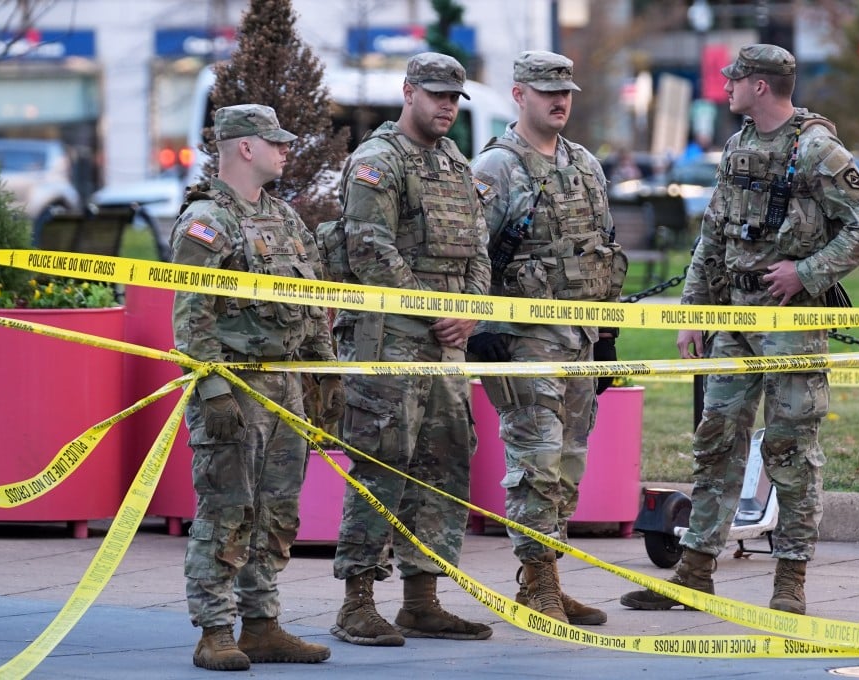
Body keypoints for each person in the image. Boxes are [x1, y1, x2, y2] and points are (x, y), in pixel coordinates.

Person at [620, 44, 859, 615]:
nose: (725, 85)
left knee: (790, 448)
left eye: (733, 78)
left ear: (759, 85)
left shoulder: (817, 149)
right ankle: (694, 573)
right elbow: (714, 234)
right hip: (734, 318)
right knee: (715, 441)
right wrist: (695, 311)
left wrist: (805, 272)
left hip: (789, 321)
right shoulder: (739, 146)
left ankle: (788, 582)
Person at [315, 52, 493, 647]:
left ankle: (422, 598)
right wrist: (434, 310)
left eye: (453, 98)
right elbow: (370, 251)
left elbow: (478, 249)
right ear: (408, 92)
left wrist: (468, 311)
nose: (446, 106)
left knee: (443, 464)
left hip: (446, 348)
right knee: (382, 464)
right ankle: (357, 601)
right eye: (436, 95)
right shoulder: (377, 161)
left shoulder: (453, 162)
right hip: (390, 341)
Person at [170, 104, 342, 671]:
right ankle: (215, 630)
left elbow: (315, 302)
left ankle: (262, 623)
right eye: (277, 141)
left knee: (277, 511)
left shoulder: (285, 219)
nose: (285, 150)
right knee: (227, 509)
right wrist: (212, 391)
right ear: (245, 147)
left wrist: (324, 371)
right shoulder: (207, 220)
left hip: (286, 385)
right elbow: (191, 316)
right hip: (235, 386)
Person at [468, 50, 627, 626]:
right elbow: (470, 256)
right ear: (519, 96)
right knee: (535, 462)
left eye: (566, 92)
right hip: (524, 341)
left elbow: (602, 253)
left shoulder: (585, 164)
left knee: (568, 464)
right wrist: (483, 328)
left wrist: (607, 336)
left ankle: (547, 577)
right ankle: (539, 584)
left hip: (579, 339)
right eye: (546, 92)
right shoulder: (495, 168)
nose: (559, 101)